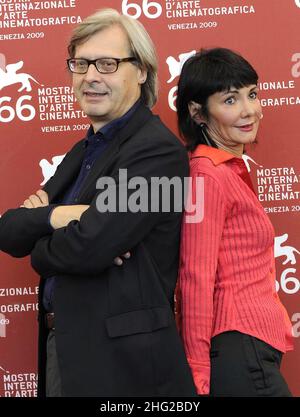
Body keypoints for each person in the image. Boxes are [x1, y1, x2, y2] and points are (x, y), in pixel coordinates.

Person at [0, 8, 196, 397]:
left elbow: (88, 246)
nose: (90, 76)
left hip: (125, 368)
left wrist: (41, 236)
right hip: (68, 352)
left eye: (107, 64)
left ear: (141, 71)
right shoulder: (82, 151)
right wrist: (59, 216)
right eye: (81, 63)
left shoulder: (157, 152)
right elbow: (9, 230)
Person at [176, 47, 294, 397]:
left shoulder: (227, 172)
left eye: (252, 94)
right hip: (237, 348)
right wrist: (198, 372)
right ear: (198, 112)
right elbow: (195, 276)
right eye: (230, 100)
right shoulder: (207, 176)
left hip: (252, 347)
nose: (250, 110)